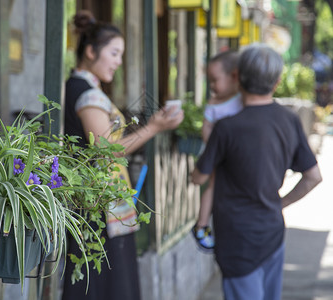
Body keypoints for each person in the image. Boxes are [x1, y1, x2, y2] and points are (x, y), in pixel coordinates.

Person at [62, 10, 183, 300]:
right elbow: (106, 150)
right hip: (94, 207)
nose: (118, 61)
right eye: (114, 53)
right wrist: (154, 127)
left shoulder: (84, 89)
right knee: (104, 286)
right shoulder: (86, 93)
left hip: (97, 203)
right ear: (91, 51)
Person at [191, 44, 322, 300]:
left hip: (236, 237)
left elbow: (201, 176)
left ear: (237, 77)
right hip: (273, 231)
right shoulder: (289, 120)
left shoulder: (226, 127)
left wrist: (193, 174)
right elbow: (313, 177)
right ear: (277, 82)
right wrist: (279, 203)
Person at [192, 50, 242, 251]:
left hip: (232, 155)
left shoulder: (242, 99)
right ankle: (202, 225)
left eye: (215, 80)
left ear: (234, 77)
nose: (212, 86)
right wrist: (217, 147)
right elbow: (206, 130)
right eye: (209, 81)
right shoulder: (213, 103)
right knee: (212, 185)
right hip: (217, 154)